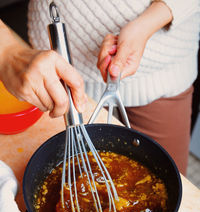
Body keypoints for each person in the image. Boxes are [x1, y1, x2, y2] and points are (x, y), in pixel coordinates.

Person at [0, 0, 200, 175]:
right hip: (49, 73)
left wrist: (148, 23)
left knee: (172, 181)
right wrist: (6, 51)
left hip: (161, 75)